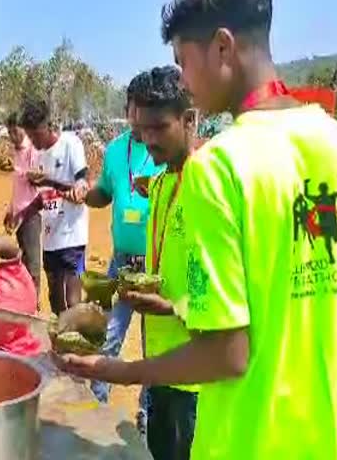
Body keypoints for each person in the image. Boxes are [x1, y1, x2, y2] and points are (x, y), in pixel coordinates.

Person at [55, 0, 337, 459]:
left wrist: (118, 370)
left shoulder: (221, 166)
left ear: (223, 47)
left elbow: (227, 354)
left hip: (250, 442)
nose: (186, 81)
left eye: (185, 62)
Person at [127, 66, 198, 460]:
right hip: (159, 363)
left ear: (190, 119)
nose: (148, 139)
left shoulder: (209, 185)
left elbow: (236, 292)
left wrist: (171, 307)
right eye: (141, 130)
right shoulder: (161, 183)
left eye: (158, 127)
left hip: (196, 375)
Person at [85, 71, 165, 405]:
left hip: (159, 264)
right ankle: (97, 408)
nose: (139, 117)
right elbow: (103, 193)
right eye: (135, 109)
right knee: (109, 336)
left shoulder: (167, 149)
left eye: (147, 110)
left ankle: (146, 419)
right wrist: (84, 194)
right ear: (129, 108)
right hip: (122, 261)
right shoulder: (116, 150)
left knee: (155, 347)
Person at [17, 98, 88, 314]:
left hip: (72, 238)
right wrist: (21, 213)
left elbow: (81, 190)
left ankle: (77, 346)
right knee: (56, 301)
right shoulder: (37, 155)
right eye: (30, 136)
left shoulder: (70, 144)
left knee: (73, 301)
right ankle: (64, 346)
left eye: (36, 135)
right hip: (50, 239)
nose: (34, 141)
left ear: (47, 126)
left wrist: (48, 181)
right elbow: (42, 198)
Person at [4, 112, 42, 296]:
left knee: (33, 261)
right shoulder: (16, 152)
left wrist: (16, 169)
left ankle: (34, 301)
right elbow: (17, 187)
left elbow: (36, 178)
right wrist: (10, 210)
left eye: (15, 131)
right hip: (19, 214)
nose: (13, 136)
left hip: (31, 213)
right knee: (23, 260)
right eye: (10, 133)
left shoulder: (33, 149)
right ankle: (25, 299)